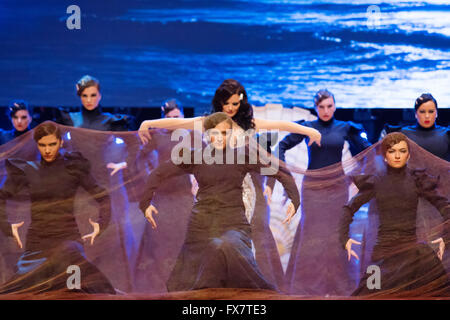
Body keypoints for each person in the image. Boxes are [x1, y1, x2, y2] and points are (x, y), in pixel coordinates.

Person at [138, 79, 320, 288]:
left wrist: (309, 131)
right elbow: (178, 123)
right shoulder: (210, 121)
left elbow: (282, 125)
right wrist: (148, 123)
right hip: (214, 189)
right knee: (212, 240)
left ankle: (240, 286)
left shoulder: (248, 124)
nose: (231, 108)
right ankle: (216, 284)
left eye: (235, 104)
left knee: (241, 240)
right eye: (227, 103)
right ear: (220, 102)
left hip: (244, 189)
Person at [274, 89, 372, 295]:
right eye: (321, 107)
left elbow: (368, 150)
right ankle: (309, 286)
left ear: (334, 106)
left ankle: (336, 285)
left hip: (337, 190)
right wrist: (285, 174)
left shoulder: (345, 128)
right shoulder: (307, 126)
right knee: (313, 235)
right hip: (313, 190)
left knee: (337, 234)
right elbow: (281, 146)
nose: (326, 111)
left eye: (329, 106)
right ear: (316, 108)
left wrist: (357, 176)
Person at [0, 121, 115, 294]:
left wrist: (101, 223)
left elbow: (102, 195)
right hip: (37, 244)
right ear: (37, 144)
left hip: (68, 239)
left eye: (52, 144)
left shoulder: (73, 167)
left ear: (61, 142)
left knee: (73, 284)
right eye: (42, 145)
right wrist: (7, 227)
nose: (47, 150)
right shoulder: (27, 171)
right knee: (19, 290)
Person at [55, 75, 138, 291]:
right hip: (76, 191)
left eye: (93, 95)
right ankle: (76, 288)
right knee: (79, 239)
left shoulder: (110, 121)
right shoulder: (69, 119)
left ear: (100, 95)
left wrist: (124, 164)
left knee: (106, 241)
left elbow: (134, 142)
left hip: (102, 188)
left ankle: (105, 289)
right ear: (79, 96)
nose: (89, 99)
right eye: (85, 95)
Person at [341, 132, 450, 297]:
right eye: (392, 151)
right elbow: (348, 209)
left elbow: (445, 206)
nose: (397, 155)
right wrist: (344, 238)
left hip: (413, 256)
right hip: (382, 255)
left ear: (409, 154)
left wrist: (446, 237)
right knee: (369, 293)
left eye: (402, 150)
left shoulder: (417, 180)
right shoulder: (376, 181)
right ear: (385, 156)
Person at [132, 99, 196, 292]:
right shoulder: (157, 136)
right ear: (163, 119)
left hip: (185, 197)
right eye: (168, 118)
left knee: (185, 241)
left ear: (183, 116)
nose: (172, 121)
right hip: (163, 198)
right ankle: (162, 288)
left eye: (176, 117)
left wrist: (198, 180)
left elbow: (207, 159)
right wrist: (150, 179)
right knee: (160, 244)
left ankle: (184, 286)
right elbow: (139, 160)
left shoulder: (193, 136)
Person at [381, 93, 449, 161]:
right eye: (422, 112)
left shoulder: (447, 135)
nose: (427, 116)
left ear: (436, 113)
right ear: (416, 114)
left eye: (431, 111)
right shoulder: (402, 134)